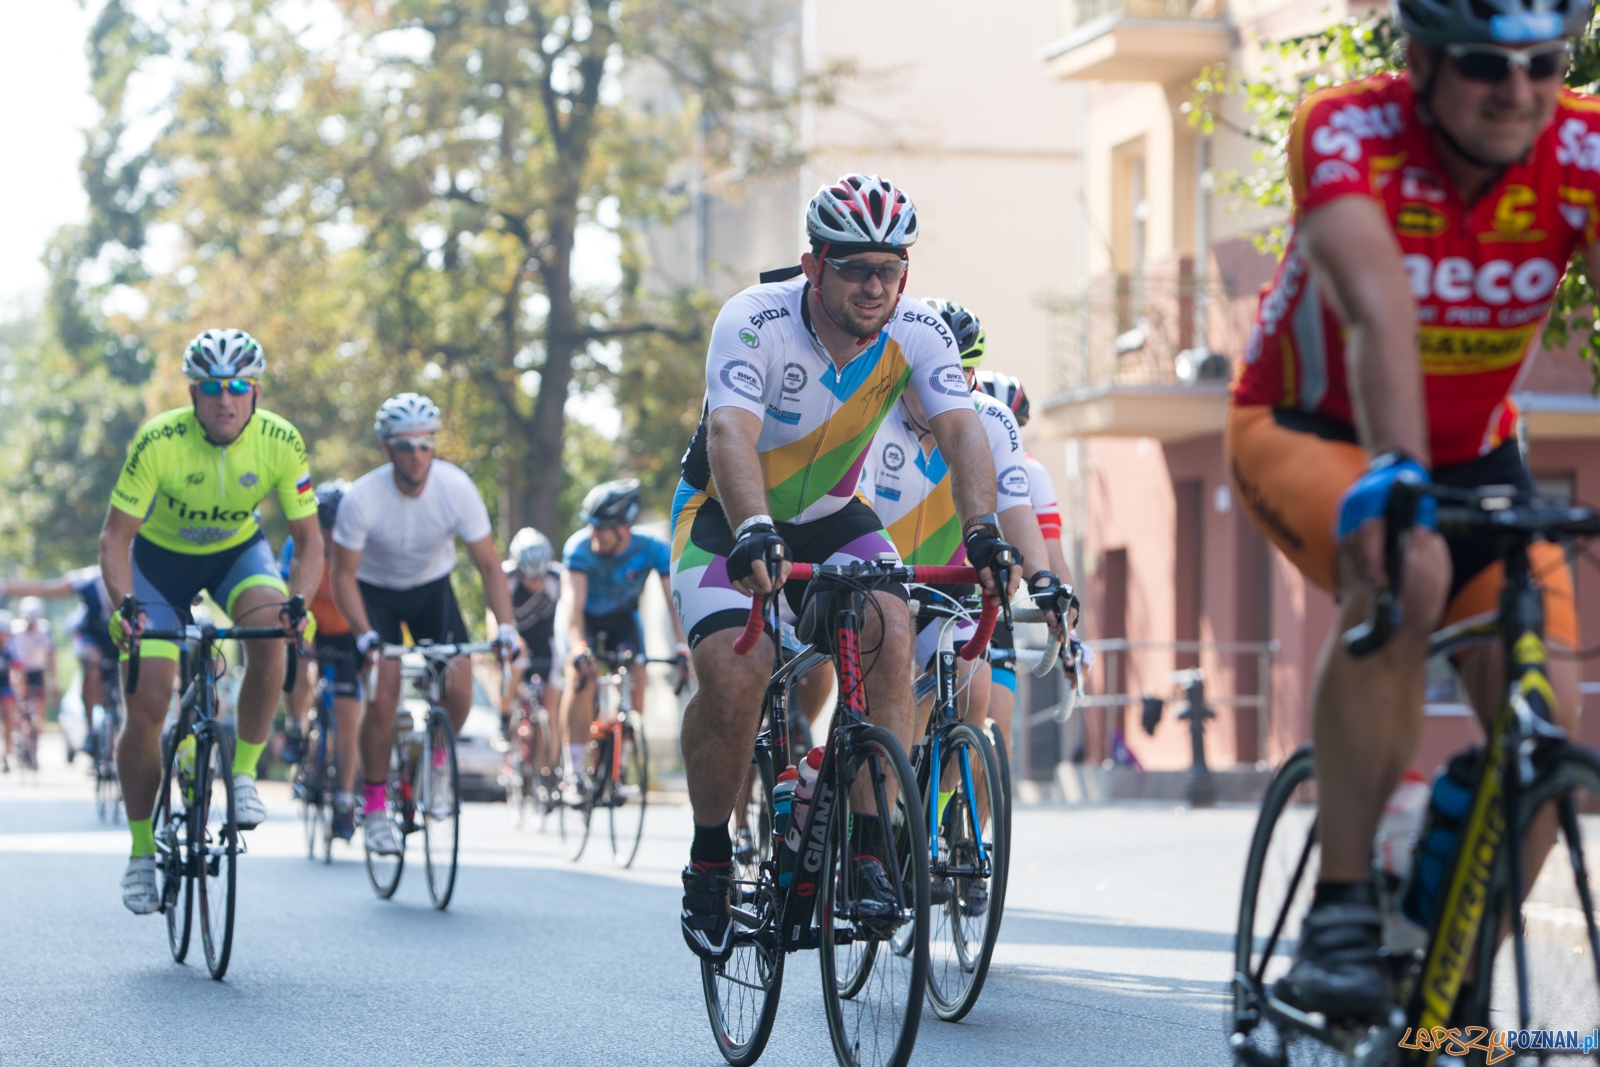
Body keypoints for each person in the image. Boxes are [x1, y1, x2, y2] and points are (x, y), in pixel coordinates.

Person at [1228, 0, 1596, 1022]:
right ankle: (1340, 906)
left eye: (1542, 64)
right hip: (1309, 427)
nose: (1517, 91)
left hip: (1479, 452)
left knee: (1542, 722)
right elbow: (1379, 310)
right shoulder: (1347, 130)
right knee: (1410, 562)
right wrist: (1399, 471)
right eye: (1485, 65)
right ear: (1424, 60)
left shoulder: (1582, 143)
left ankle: (1447, 976)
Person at [672, 173, 1027, 961]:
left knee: (890, 624)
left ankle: (868, 839)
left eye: (890, 268)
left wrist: (983, 536)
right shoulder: (754, 319)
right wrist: (756, 525)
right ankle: (708, 858)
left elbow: (964, 432)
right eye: (856, 267)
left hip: (831, 513)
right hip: (728, 513)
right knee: (739, 674)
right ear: (814, 264)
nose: (874, 285)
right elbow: (731, 432)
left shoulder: (918, 331)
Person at [100, 328, 323, 914]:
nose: (226, 399)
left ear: (254, 392)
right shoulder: (159, 441)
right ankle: (142, 852)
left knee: (274, 631)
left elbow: (309, 541)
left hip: (236, 554)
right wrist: (126, 609)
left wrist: (299, 606)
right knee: (148, 702)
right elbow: (114, 539)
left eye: (238, 387)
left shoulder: (281, 440)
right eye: (212, 388)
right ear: (194, 394)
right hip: (159, 566)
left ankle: (244, 774)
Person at [859, 300, 1065, 736]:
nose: (948, 388)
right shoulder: (876, 413)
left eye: (964, 374)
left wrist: (1043, 579)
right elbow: (860, 508)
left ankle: (940, 803)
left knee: (974, 690)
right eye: (932, 376)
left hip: (945, 583)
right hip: (877, 577)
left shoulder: (992, 420)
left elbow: (1014, 510)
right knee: (882, 694)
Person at [329, 393, 518, 857]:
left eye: (426, 443)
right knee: (383, 692)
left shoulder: (456, 488)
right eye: (405, 444)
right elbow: (341, 576)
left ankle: (433, 763)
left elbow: (490, 567)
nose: (417, 454)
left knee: (459, 685)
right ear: (386, 448)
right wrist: (364, 634)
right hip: (375, 594)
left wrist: (507, 627)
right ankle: (373, 807)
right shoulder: (363, 498)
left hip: (432, 588)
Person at [974, 369, 1078, 754]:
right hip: (941, 590)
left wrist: (1069, 629)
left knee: (996, 724)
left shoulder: (1031, 473)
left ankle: (966, 808)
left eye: (1014, 430)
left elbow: (1052, 556)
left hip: (995, 606)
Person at [556, 479, 687, 781]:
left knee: (636, 678)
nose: (593, 533)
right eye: (590, 525)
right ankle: (573, 772)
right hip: (584, 620)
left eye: (600, 526)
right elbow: (573, 608)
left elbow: (673, 603)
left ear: (625, 526)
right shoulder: (579, 548)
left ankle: (618, 760)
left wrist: (682, 646)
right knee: (581, 675)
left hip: (622, 619)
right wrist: (578, 647)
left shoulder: (652, 548)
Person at [277, 480, 363, 842]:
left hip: (348, 631)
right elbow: (287, 597)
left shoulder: (360, 546)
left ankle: (344, 800)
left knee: (347, 714)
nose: (328, 535)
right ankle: (297, 725)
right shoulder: (297, 545)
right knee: (292, 656)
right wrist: (298, 636)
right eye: (323, 525)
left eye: (335, 527)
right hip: (311, 623)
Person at [0, 567, 116, 761]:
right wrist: (8, 587)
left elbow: (50, 657)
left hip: (123, 639)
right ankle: (91, 732)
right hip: (94, 640)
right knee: (92, 667)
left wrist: (52, 680)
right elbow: (45, 589)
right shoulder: (88, 579)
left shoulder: (141, 573)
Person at [502, 526, 563, 776]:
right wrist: (510, 640)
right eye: (530, 577)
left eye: (539, 577)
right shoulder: (506, 578)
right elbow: (495, 617)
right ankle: (504, 719)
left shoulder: (559, 577)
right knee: (515, 659)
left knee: (552, 702)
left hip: (548, 641)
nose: (536, 583)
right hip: (518, 641)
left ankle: (549, 769)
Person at [9, 599, 57, 756]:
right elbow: (12, 657)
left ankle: (34, 747)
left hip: (37, 671)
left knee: (37, 716)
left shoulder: (45, 629)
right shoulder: (15, 629)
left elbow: (50, 656)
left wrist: (54, 680)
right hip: (20, 669)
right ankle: (18, 732)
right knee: (19, 703)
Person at [0, 612, 15, 773]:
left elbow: (17, 669)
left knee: (9, 715)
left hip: (5, 685)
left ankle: (7, 752)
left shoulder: (11, 646)